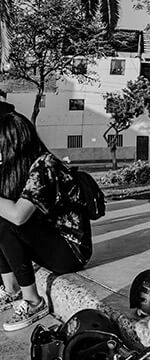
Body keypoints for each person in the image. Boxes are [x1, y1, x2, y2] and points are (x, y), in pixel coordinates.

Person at [0, 112, 92, 331]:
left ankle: (34, 301)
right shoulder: (18, 169)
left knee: (7, 222)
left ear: (13, 142)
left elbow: (18, 215)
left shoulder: (45, 165)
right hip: (50, 244)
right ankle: (10, 289)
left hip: (70, 251)